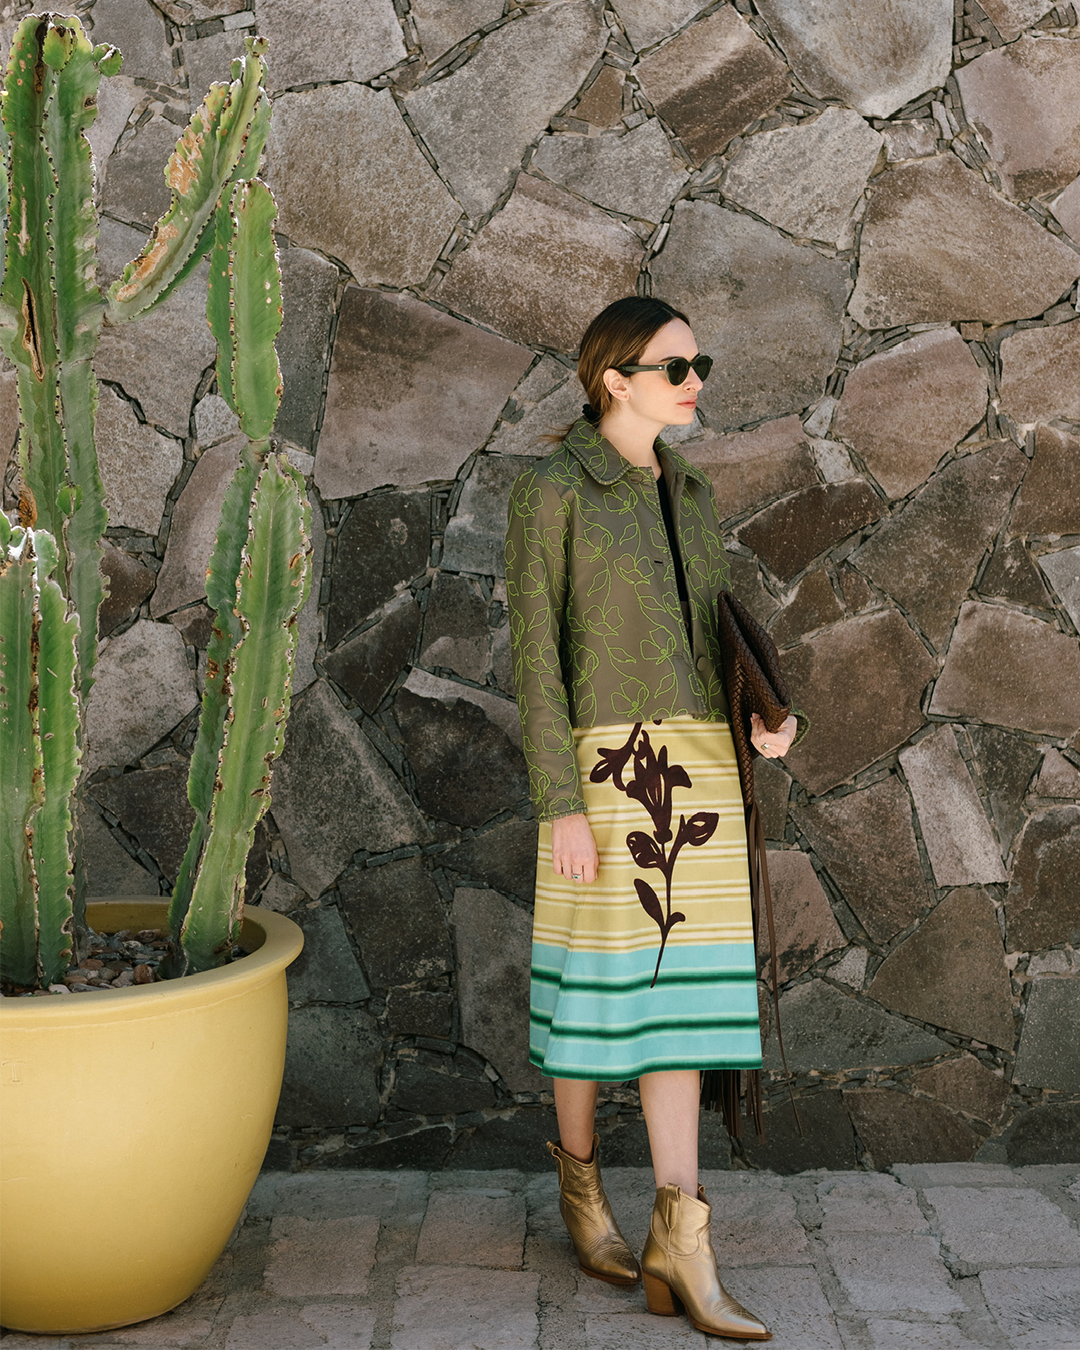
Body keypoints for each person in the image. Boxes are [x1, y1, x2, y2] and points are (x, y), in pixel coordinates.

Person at [504, 296, 799, 1342]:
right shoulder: (551, 490)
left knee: (685, 1003)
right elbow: (535, 654)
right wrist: (561, 805)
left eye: (698, 363)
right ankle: (583, 1193)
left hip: (701, 775)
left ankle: (683, 1236)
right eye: (676, 366)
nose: (694, 381)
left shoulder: (694, 490)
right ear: (612, 379)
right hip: (602, 770)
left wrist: (758, 717)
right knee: (596, 997)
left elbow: (713, 622)